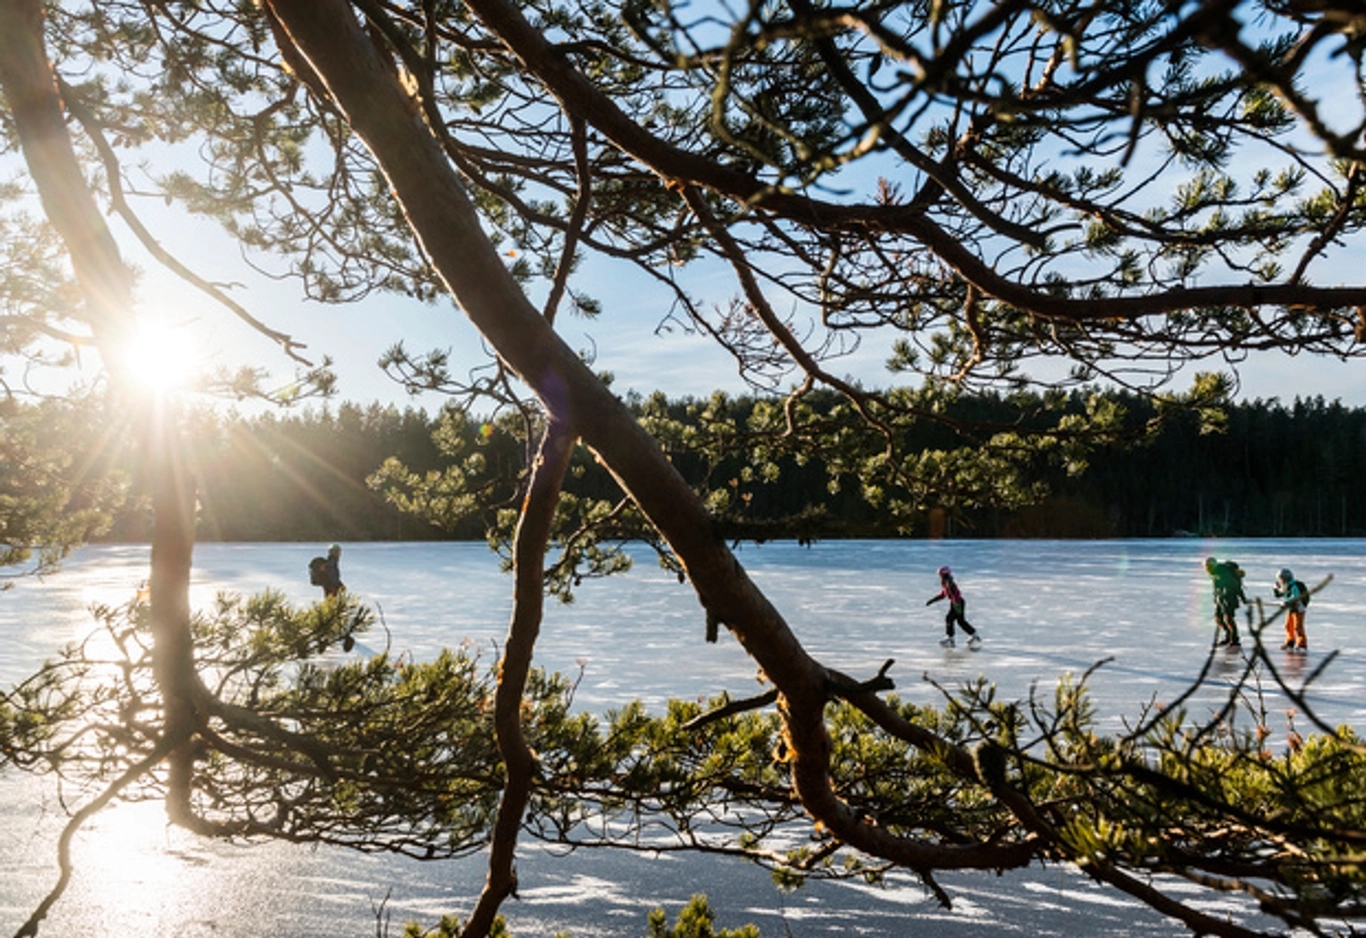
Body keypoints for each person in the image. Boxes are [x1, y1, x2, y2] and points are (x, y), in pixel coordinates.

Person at [926, 565, 980, 649]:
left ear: (944, 574)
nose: (939, 577)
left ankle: (950, 639)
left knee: (949, 618)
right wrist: (932, 600)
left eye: (940, 575)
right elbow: (943, 594)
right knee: (960, 621)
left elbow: (955, 595)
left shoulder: (949, 583)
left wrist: (957, 606)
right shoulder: (945, 582)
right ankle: (974, 635)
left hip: (957, 603)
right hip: (956, 603)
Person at [1204, 556, 1247, 648]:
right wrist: (1216, 598)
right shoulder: (1215, 573)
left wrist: (1243, 598)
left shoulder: (1223, 572)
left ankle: (1234, 639)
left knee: (1228, 619)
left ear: (1213, 565)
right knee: (1218, 618)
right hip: (1221, 599)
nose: (1207, 569)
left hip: (1229, 598)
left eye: (1208, 566)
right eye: (1206, 567)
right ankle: (1228, 636)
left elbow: (1235, 586)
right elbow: (1217, 587)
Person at [1273, 567, 1309, 652]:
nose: (1279, 580)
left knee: (1298, 627)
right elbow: (1279, 594)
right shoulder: (1286, 585)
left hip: (1299, 608)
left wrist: (1286, 602)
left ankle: (1302, 645)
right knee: (1288, 625)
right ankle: (1290, 642)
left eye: (1280, 579)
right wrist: (1275, 589)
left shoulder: (1294, 586)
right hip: (1291, 608)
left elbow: (1295, 597)